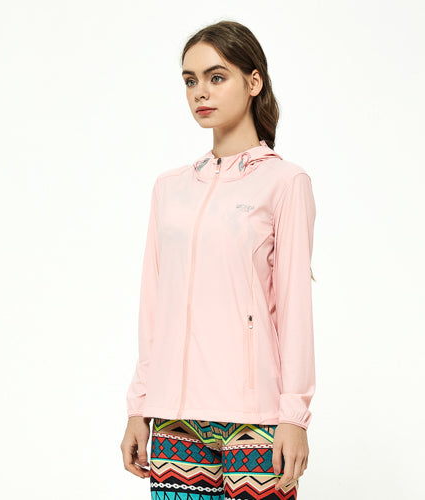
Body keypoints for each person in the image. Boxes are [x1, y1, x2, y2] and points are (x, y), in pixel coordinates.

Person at [120, 20, 317, 500]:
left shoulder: (285, 183)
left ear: (254, 82)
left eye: (216, 76)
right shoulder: (169, 188)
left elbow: (293, 309)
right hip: (174, 417)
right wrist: (138, 406)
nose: (200, 92)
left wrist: (294, 416)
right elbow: (154, 307)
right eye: (190, 80)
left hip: (256, 417)